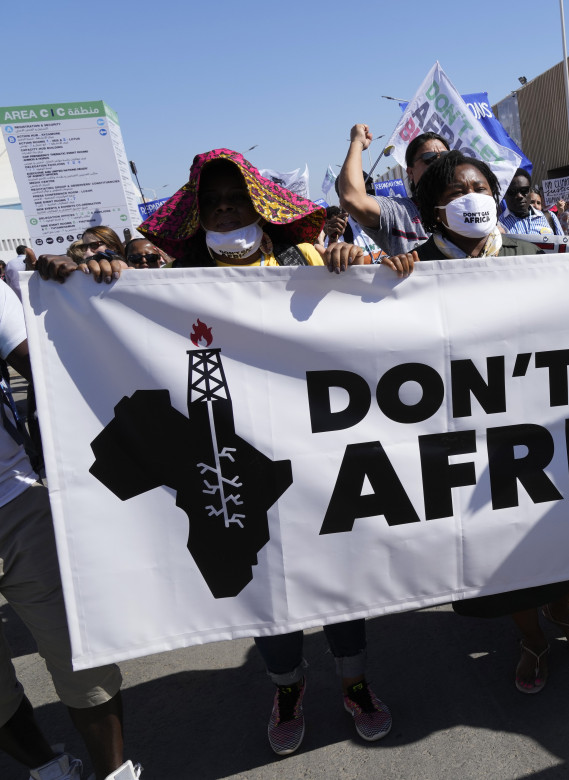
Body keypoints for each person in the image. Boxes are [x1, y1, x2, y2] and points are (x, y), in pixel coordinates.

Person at [133, 149, 389, 754]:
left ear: (261, 207)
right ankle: (288, 689)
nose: (225, 211)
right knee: (267, 584)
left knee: (335, 575)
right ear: (198, 220)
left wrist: (358, 263)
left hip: (319, 454)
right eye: (213, 204)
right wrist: (80, 277)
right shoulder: (178, 282)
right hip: (237, 464)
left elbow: (373, 314)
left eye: (236, 200)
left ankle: (354, 684)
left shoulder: (304, 259)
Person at [379, 151, 569, 694]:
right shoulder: (411, 270)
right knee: (496, 552)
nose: (472, 197)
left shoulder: (537, 252)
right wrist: (377, 287)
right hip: (466, 443)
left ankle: (561, 608)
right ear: (432, 212)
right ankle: (529, 634)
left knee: (556, 536)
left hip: (541, 431)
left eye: (480, 186)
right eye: (457, 192)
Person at [0, 280, 139, 780]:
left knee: (79, 657)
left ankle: (114, 774)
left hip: (14, 507)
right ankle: (50, 770)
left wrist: (76, 288)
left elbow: (44, 367)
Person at [339, 124, 449, 257]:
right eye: (429, 158)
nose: (439, 163)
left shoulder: (470, 206)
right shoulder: (400, 212)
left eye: (445, 156)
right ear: (410, 172)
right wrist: (357, 142)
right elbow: (353, 199)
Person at [499, 170, 560, 235]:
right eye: (512, 191)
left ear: (530, 192)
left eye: (524, 190)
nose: (519, 196)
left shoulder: (550, 217)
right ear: (504, 194)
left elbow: (562, 244)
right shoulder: (498, 225)